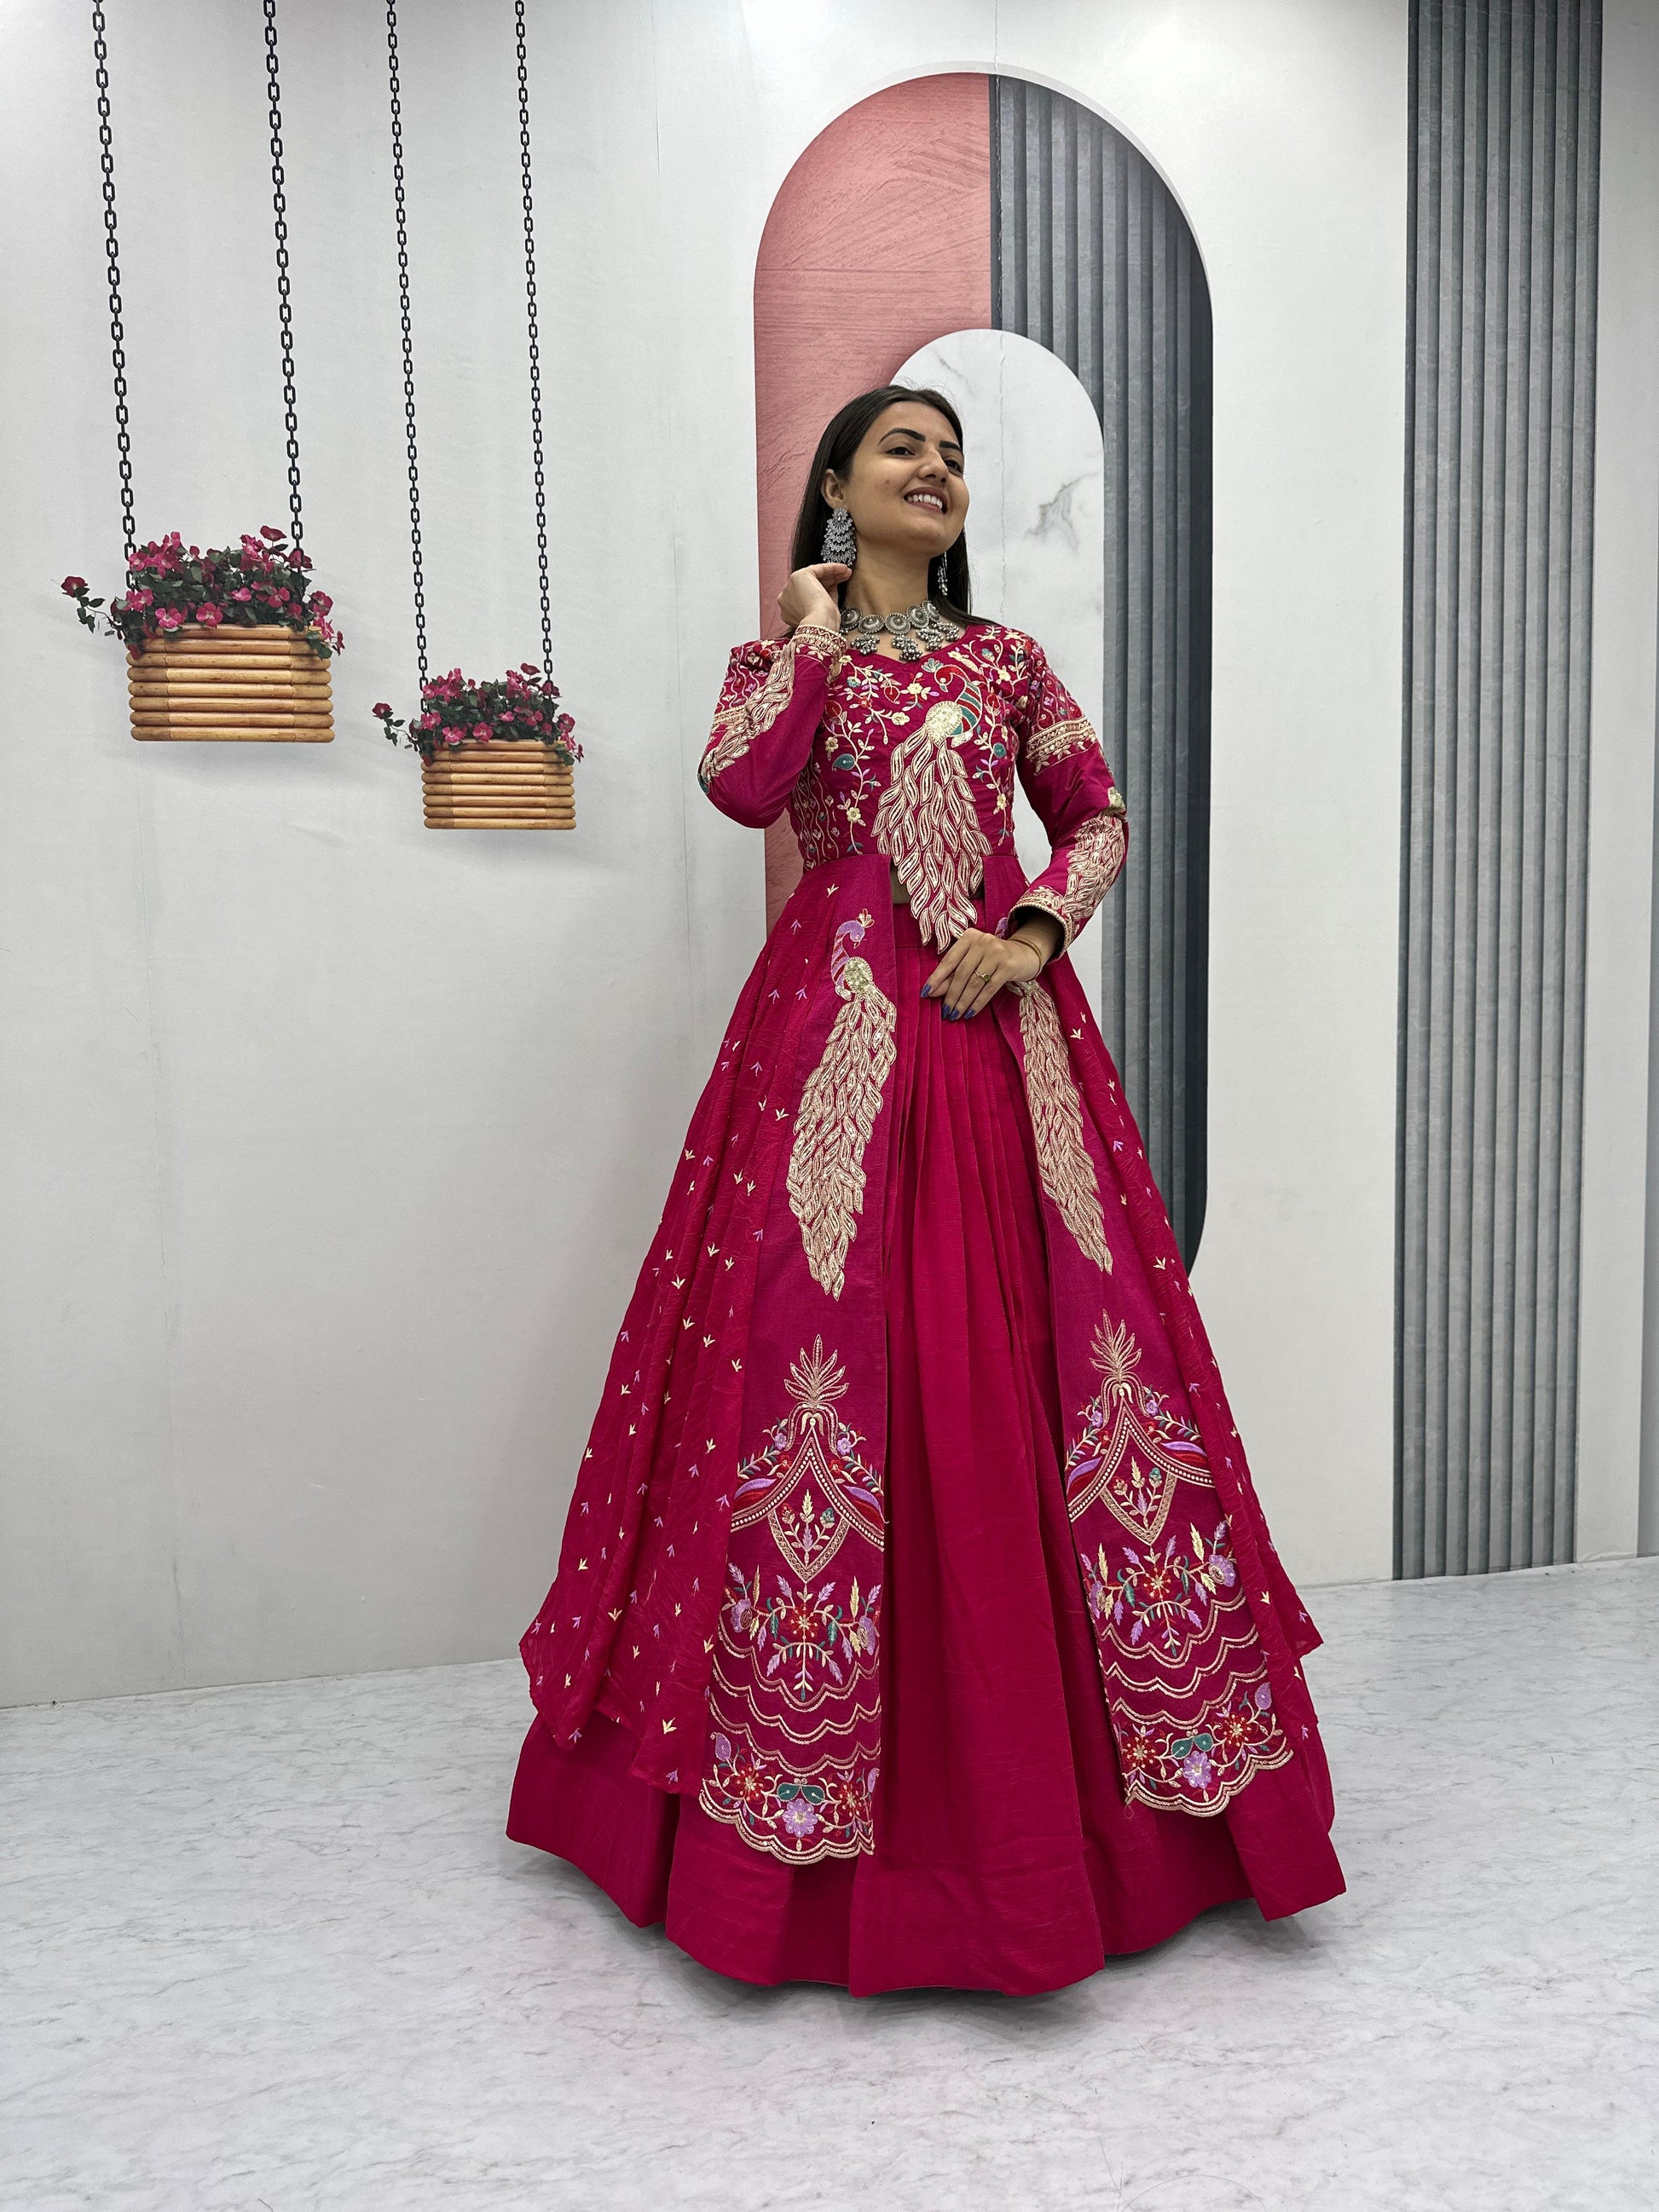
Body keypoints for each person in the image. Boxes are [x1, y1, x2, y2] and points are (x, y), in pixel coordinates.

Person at [507, 384, 1344, 1996]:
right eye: (904, 448)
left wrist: (1026, 933)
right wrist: (812, 634)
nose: (936, 473)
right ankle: (783, 1829)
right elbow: (743, 788)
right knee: (802, 1357)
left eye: (953, 458)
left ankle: (1099, 1822)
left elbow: (1095, 819)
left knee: (1049, 1352)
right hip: (831, 1027)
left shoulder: (1007, 661)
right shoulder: (778, 661)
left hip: (992, 1028)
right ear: (836, 479)